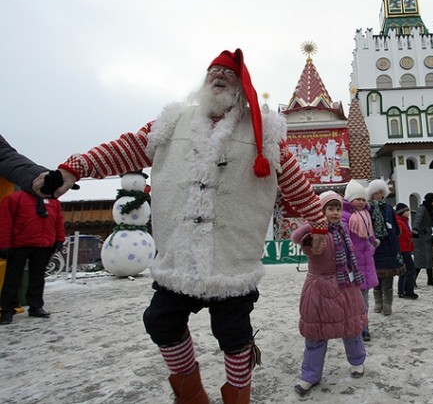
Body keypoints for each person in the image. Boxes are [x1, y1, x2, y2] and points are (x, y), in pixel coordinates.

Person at [44, 48, 327, 403]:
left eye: (227, 74)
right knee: (160, 322)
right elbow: (125, 147)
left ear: (241, 86)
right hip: (179, 256)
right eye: (213, 72)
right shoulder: (171, 123)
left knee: (233, 335)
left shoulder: (264, 132)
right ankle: (191, 393)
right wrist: (73, 169)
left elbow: (295, 184)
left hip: (231, 258)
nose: (218, 77)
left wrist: (318, 224)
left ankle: (238, 395)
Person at [292, 191, 367, 397]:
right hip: (319, 289)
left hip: (345, 286)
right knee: (315, 335)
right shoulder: (315, 234)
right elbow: (296, 237)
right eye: (330, 209)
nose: (334, 213)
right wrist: (315, 222)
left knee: (351, 328)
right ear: (322, 210)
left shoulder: (342, 230)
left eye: (337, 209)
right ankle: (310, 376)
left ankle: (357, 361)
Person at [0, 190, 65, 325]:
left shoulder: (53, 201)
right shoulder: (14, 198)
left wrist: (59, 239)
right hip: (19, 244)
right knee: (13, 278)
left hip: (44, 244)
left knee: (38, 277)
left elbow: (58, 220)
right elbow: (5, 221)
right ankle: (7, 309)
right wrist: (4, 244)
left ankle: (35, 306)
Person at [342, 179, 378, 342]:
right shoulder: (345, 216)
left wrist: (372, 245)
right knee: (351, 300)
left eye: (364, 199)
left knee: (364, 300)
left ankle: (364, 328)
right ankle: (352, 326)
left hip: (366, 263)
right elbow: (342, 238)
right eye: (358, 199)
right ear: (349, 199)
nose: (362, 202)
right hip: (352, 265)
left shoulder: (366, 215)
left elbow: (369, 236)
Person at [367, 179, 404, 316]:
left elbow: (395, 226)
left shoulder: (388, 208)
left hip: (389, 245)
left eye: (380, 192)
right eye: (375, 192)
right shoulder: (368, 208)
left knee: (388, 277)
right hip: (374, 246)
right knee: (376, 277)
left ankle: (387, 304)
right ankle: (378, 302)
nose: (378, 195)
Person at [412, 192, 433, 286]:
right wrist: (415, 230)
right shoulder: (423, 208)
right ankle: (412, 280)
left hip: (427, 237)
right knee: (420, 260)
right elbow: (418, 219)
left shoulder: (430, 209)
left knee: (429, 259)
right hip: (420, 237)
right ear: (432, 201)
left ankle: (430, 279)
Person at [395, 203, 418, 299]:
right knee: (410, 270)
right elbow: (400, 236)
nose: (408, 213)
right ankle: (408, 291)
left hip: (406, 248)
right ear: (401, 212)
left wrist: (413, 234)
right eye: (407, 211)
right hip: (403, 249)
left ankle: (402, 291)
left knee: (405, 271)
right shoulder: (399, 222)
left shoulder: (404, 221)